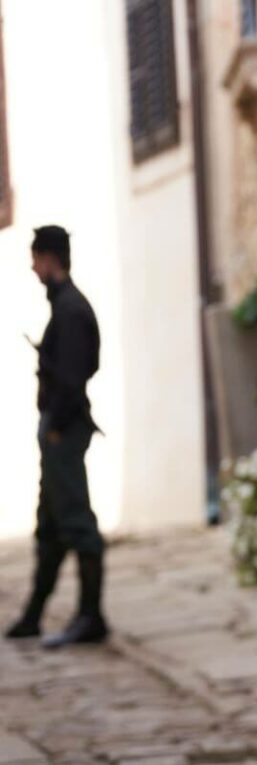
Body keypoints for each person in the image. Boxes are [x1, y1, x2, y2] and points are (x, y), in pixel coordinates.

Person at [6, 225, 109, 648]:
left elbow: (74, 376)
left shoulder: (71, 309)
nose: (33, 267)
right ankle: (33, 614)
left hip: (63, 431)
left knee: (77, 524)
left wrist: (55, 429)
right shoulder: (65, 306)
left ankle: (90, 616)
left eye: (36, 258)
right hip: (57, 429)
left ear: (50, 259)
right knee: (50, 526)